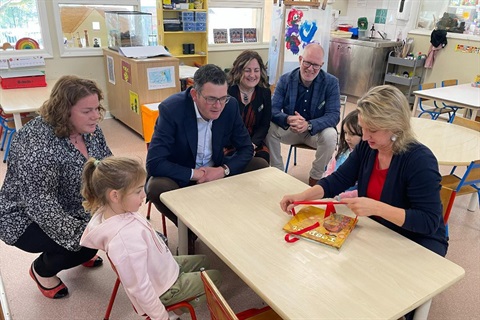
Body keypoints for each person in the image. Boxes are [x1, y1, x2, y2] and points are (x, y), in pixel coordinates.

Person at [0, 75, 112, 299]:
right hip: (25, 216)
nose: (96, 116)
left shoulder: (90, 129)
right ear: (65, 110)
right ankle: (41, 270)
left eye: (97, 108)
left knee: (99, 231)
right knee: (87, 245)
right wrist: (86, 234)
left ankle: (80, 249)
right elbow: (41, 204)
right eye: (87, 110)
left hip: (72, 203)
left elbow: (106, 163)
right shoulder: (36, 143)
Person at [146, 64, 268, 254]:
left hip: (216, 171)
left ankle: (229, 221)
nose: (218, 105)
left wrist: (222, 170)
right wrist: (195, 174)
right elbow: (154, 163)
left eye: (222, 98)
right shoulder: (172, 109)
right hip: (184, 176)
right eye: (211, 99)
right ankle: (189, 232)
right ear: (195, 95)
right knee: (155, 187)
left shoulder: (230, 106)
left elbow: (246, 148)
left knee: (260, 165)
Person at [80, 157, 221, 320]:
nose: (144, 195)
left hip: (161, 269)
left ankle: (179, 292)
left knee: (203, 260)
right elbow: (140, 288)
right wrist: (161, 317)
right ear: (115, 195)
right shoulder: (124, 241)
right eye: (138, 190)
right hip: (163, 290)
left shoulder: (118, 210)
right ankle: (175, 311)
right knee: (216, 277)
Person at [266, 43, 341, 187]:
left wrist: (309, 125)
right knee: (268, 127)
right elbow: (272, 110)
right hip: (291, 129)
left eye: (316, 65)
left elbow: (333, 115)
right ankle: (277, 171)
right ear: (300, 59)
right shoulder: (285, 79)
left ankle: (316, 177)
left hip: (315, 133)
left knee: (331, 135)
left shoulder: (331, 83)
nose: (310, 68)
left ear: (322, 65)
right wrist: (288, 119)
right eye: (307, 63)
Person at [227, 50, 272, 163]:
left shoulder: (265, 93)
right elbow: (224, 126)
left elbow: (264, 125)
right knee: (235, 161)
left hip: (254, 142)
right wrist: (243, 148)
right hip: (230, 142)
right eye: (247, 70)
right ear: (238, 71)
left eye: (256, 70)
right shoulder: (227, 92)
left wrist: (252, 145)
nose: (252, 75)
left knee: (262, 160)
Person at [321, 110, 362, 200]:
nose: (347, 138)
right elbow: (330, 171)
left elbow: (362, 191)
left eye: (352, 134)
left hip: (351, 201)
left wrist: (341, 197)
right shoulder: (342, 152)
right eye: (345, 133)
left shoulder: (366, 159)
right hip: (332, 194)